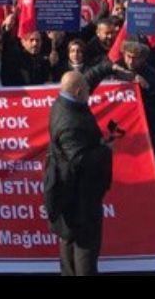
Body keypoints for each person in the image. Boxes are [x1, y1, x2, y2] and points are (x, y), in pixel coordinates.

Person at [43, 71, 113, 276]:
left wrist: (108, 66)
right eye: (86, 89)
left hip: (70, 195)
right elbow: (79, 161)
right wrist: (105, 150)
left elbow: (87, 79)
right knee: (84, 251)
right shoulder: (70, 123)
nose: (90, 91)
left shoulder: (63, 101)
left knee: (68, 241)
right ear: (78, 91)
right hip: (80, 198)